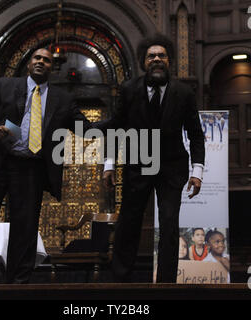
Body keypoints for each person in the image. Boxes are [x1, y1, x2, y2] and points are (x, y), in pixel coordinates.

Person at [0, 48, 94, 284]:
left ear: (53, 67)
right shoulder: (4, 85)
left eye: (47, 60)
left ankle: (17, 285)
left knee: (25, 229)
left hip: (30, 168)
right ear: (29, 64)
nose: (41, 62)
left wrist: (120, 121)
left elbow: (86, 129)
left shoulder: (62, 99)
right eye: (37, 58)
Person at [102, 34, 205, 283]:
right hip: (138, 164)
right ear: (143, 61)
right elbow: (116, 127)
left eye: (161, 56)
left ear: (169, 61)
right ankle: (120, 280)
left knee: (169, 223)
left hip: (172, 167)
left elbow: (195, 133)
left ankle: (167, 284)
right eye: (152, 56)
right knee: (129, 220)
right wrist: (108, 164)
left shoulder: (184, 92)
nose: (157, 59)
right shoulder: (128, 89)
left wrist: (197, 171)